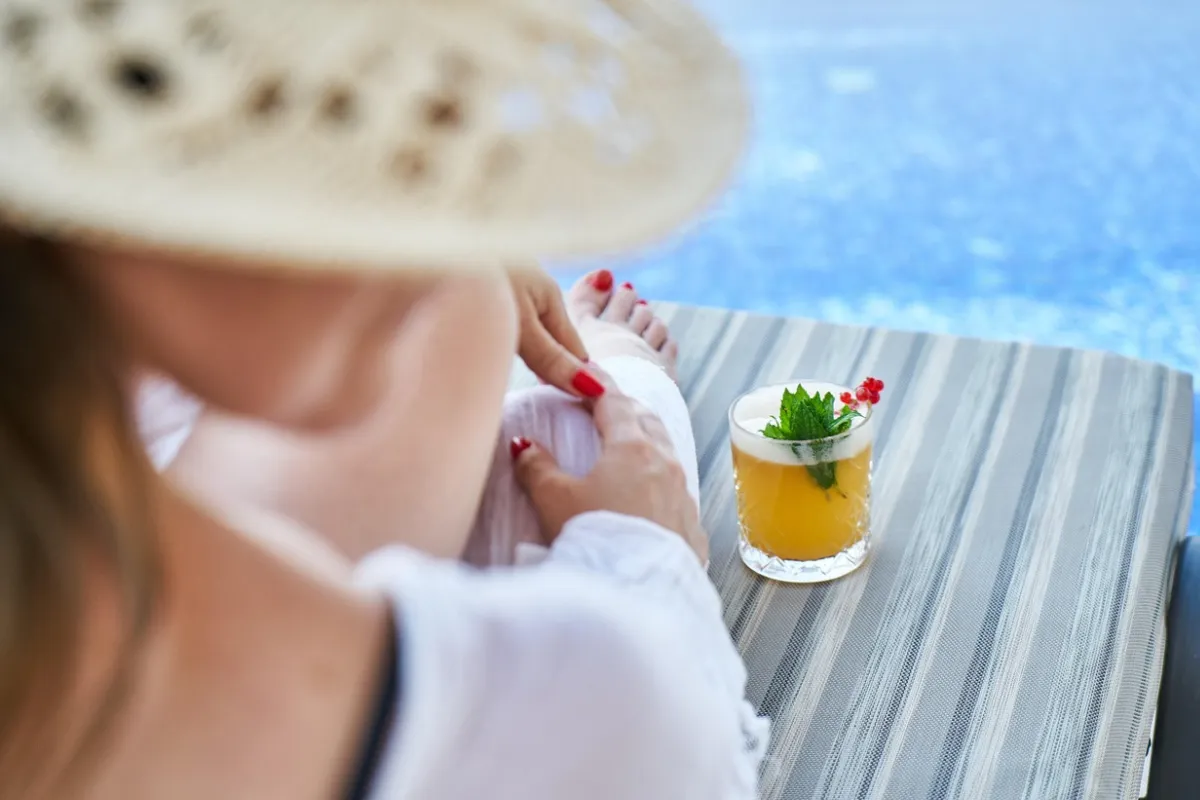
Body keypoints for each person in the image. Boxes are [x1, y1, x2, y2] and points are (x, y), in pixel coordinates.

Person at [0, 0, 765, 798]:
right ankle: (635, 395)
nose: (461, 216)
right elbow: (686, 746)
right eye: (353, 126)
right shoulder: (596, 705)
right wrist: (648, 556)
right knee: (579, 425)